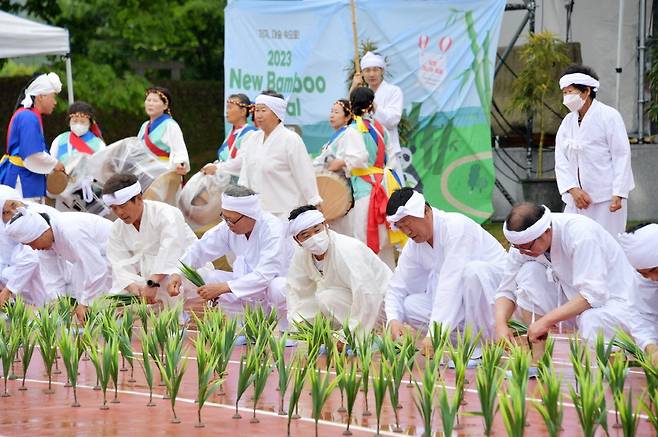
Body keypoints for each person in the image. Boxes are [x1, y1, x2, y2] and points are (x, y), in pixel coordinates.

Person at [493, 203, 638, 346]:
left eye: (527, 247)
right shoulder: (522, 244)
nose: (522, 252)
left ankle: (607, 367)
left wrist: (546, 321)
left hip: (615, 303)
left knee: (591, 320)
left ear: (547, 231)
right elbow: (506, 290)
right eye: (516, 247)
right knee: (529, 273)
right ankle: (538, 363)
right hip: (573, 301)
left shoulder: (581, 234)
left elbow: (594, 294)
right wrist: (500, 325)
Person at [385, 188, 507, 357]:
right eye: (400, 227)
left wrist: (435, 334)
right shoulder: (414, 247)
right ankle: (469, 342)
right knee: (410, 305)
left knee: (473, 273)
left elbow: (451, 284)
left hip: (496, 299)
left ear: (425, 211)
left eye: (408, 224)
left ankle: (482, 345)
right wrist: (393, 319)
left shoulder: (456, 227)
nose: (407, 232)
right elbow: (398, 286)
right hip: (462, 307)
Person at [170, 185, 290, 329]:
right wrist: (178, 273)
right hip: (248, 287)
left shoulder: (272, 230)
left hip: (275, 286)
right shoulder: (228, 227)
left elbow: (265, 275)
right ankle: (241, 327)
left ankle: (287, 331)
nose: (228, 224)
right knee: (213, 278)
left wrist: (224, 287)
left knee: (276, 287)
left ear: (249, 214)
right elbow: (200, 249)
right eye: (224, 217)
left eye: (231, 220)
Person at [286, 205, 391, 338]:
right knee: (320, 298)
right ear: (297, 240)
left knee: (327, 298)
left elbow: (368, 293)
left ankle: (366, 335)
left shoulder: (347, 249)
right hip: (348, 301)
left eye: (317, 230)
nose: (314, 238)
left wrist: (348, 335)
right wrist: (299, 323)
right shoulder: (302, 255)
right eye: (305, 236)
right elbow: (295, 289)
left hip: (380, 307)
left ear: (325, 224)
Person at [555, 64, 634, 237]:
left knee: (609, 243)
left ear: (586, 91)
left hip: (606, 198)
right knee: (572, 241)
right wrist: (572, 189)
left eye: (571, 92)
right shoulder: (567, 122)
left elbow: (621, 156)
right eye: (565, 92)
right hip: (576, 199)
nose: (567, 96)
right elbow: (560, 160)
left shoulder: (609, 116)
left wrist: (619, 193)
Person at [103, 173, 200, 310]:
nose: (119, 212)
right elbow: (118, 262)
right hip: (149, 279)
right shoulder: (117, 228)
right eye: (113, 208)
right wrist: (132, 286)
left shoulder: (167, 213)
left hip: (183, 273)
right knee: (113, 300)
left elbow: (171, 252)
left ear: (139, 198)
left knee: (168, 282)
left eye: (122, 206)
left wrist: (152, 283)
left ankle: (176, 327)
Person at [5, 207, 113, 320]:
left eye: (32, 243)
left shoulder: (71, 230)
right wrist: (60, 303)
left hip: (115, 261)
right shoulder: (47, 240)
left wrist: (86, 303)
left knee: (104, 312)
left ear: (41, 232)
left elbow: (97, 268)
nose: (33, 248)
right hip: (93, 265)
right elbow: (51, 276)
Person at [237, 90, 321, 219]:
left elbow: (304, 174)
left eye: (263, 110)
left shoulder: (291, 139)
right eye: (257, 110)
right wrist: (241, 201)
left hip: (286, 211)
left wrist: (314, 201)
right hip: (257, 211)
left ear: (277, 114)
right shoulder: (252, 139)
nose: (258, 114)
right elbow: (245, 175)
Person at [344, 87, 400, 268]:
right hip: (383, 188)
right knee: (383, 238)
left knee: (364, 238)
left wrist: (346, 166)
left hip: (365, 190)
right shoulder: (380, 128)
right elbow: (391, 160)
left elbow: (357, 159)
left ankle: (372, 282)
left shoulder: (353, 130)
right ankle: (390, 280)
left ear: (352, 106)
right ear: (371, 104)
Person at [0, 73, 65, 200]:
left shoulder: (27, 115)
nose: (55, 102)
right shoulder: (28, 117)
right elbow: (32, 155)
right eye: (53, 97)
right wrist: (54, 164)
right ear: (41, 96)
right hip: (23, 179)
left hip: (24, 176)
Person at [351, 51, 404, 183]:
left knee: (394, 196)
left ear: (382, 71)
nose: (372, 74)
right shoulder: (360, 92)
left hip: (388, 154)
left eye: (375, 70)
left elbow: (392, 121)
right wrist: (353, 88)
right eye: (367, 70)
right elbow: (349, 116)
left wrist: (370, 102)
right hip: (366, 156)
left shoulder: (393, 91)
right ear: (362, 73)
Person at [312, 99, 360, 235]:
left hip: (341, 188)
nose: (332, 115)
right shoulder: (337, 136)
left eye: (336, 112)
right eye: (331, 112)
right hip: (330, 188)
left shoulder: (348, 134)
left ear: (348, 116)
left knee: (342, 232)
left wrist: (338, 163)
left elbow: (347, 160)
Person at [0, 186, 53, 308]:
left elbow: (31, 257)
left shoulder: (34, 215)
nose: (14, 212)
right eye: (5, 212)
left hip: (51, 272)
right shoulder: (6, 225)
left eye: (14, 205)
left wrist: (8, 290)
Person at [618, 223, 658, 364]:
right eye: (644, 274)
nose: (652, 278)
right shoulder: (641, 278)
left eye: (655, 270)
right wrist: (651, 348)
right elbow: (641, 316)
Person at [202, 94, 257, 182]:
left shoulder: (250, 133)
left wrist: (217, 167)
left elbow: (241, 161)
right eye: (227, 108)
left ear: (243, 111)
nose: (227, 111)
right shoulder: (232, 132)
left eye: (230, 108)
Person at [137, 86, 190, 175]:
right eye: (148, 100)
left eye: (155, 101)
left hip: (163, 172)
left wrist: (180, 163)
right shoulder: (144, 126)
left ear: (165, 105)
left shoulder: (170, 125)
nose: (150, 103)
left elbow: (180, 150)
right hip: (145, 171)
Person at [50, 101, 106, 167]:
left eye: (83, 122)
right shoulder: (59, 140)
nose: (78, 124)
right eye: (75, 121)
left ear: (90, 123)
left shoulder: (99, 144)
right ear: (69, 121)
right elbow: (51, 163)